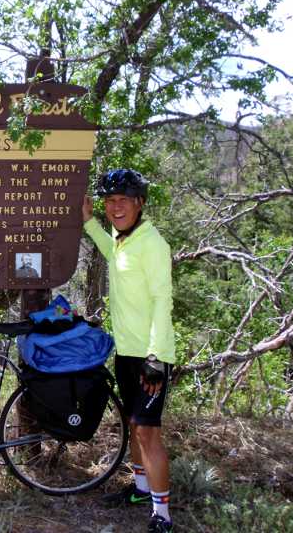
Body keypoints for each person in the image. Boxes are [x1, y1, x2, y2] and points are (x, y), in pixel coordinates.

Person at [82, 168, 176, 533]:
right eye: (109, 201)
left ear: (139, 203)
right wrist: (89, 222)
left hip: (151, 357)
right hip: (127, 352)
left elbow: (161, 301)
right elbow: (111, 253)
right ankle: (140, 490)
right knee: (134, 425)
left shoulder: (152, 244)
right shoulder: (124, 241)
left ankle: (162, 515)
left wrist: (154, 358)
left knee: (147, 432)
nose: (115, 207)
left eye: (122, 200)